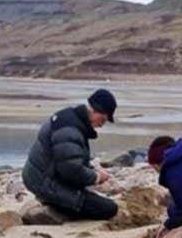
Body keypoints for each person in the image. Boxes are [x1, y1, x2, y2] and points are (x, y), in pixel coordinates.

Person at [21, 88, 120, 221]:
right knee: (109, 208)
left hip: (42, 176)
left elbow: (71, 159)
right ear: (95, 110)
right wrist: (96, 177)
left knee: (94, 199)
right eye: (103, 119)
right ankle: (54, 206)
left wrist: (91, 170)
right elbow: (70, 170)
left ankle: (56, 203)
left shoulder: (72, 120)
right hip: (43, 182)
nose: (102, 124)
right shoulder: (70, 130)